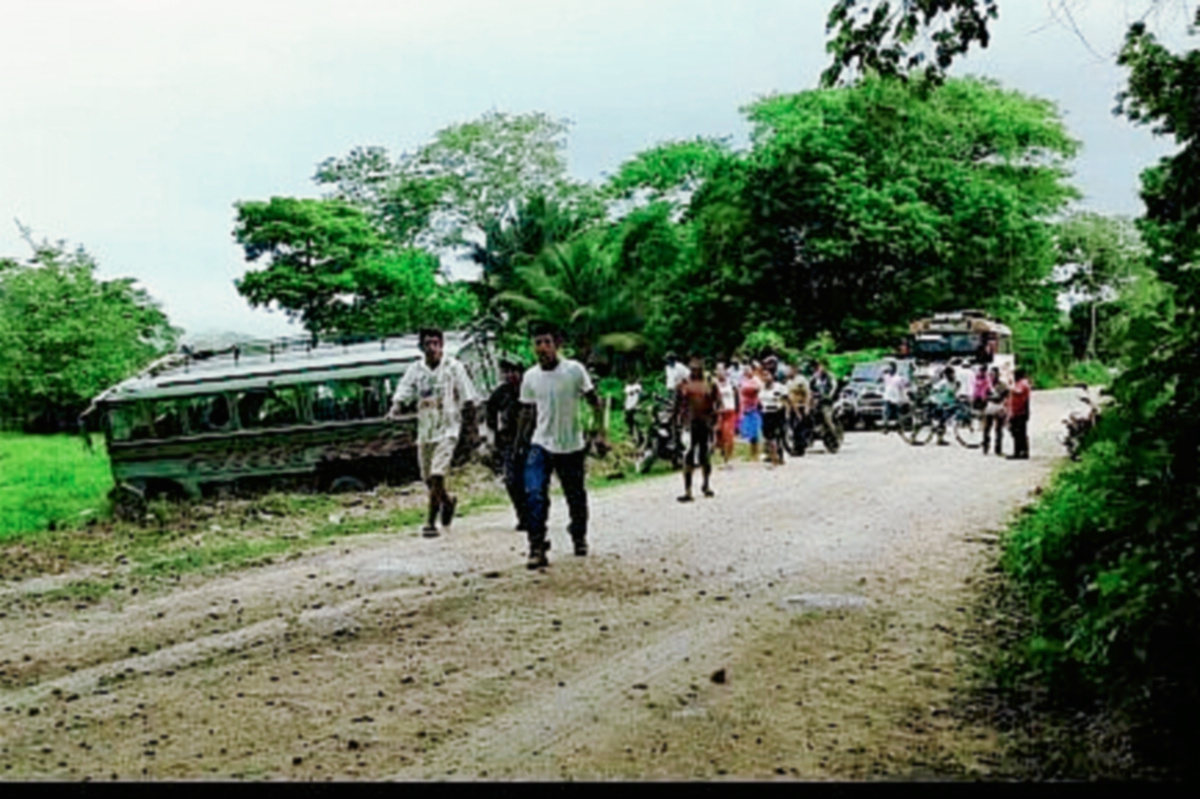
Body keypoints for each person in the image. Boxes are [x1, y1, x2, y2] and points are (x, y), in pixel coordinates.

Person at [516, 323, 609, 570]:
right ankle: (536, 546)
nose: (542, 348)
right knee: (534, 494)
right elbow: (527, 412)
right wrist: (518, 445)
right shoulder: (530, 377)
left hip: (571, 445)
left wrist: (599, 433)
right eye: (538, 343)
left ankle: (578, 534)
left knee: (575, 496)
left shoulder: (574, 371)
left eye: (547, 342)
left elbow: (595, 402)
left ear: (558, 344)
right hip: (541, 443)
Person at [387, 328, 480, 538]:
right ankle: (447, 502)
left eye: (436, 343)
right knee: (428, 478)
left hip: (448, 427)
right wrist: (395, 408)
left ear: (442, 345)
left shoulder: (454, 367)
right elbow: (404, 391)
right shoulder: (416, 370)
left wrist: (471, 431)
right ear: (421, 346)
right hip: (426, 429)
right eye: (428, 344)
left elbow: (468, 399)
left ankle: (430, 522)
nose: (432, 348)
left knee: (438, 474)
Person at [486, 358, 529, 531]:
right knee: (512, 479)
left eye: (513, 371)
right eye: (506, 372)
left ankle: (535, 514)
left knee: (532, 480)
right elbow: (491, 415)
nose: (510, 375)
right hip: (508, 441)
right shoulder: (500, 393)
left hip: (531, 440)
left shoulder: (529, 389)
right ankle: (522, 515)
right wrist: (495, 434)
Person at [674, 356, 721, 501]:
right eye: (693, 368)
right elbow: (677, 405)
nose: (696, 371)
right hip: (689, 424)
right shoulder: (683, 385)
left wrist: (716, 420)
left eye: (698, 368)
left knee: (704, 455)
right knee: (688, 455)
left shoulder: (710, 384)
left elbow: (718, 403)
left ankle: (706, 485)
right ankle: (687, 490)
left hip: (705, 423)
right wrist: (676, 421)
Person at [759, 357, 788, 466]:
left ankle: (776, 457)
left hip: (777, 412)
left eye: (767, 375)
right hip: (766, 413)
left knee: (777, 436)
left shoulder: (779, 387)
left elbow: (785, 400)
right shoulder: (762, 388)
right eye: (764, 376)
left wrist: (781, 408)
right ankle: (773, 455)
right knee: (768, 436)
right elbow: (760, 401)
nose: (765, 378)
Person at [738, 361, 764, 463]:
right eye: (745, 370)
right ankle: (751, 453)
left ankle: (756, 454)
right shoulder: (743, 380)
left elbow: (759, 389)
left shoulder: (756, 380)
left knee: (755, 433)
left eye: (748, 370)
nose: (746, 371)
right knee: (749, 433)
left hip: (755, 407)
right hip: (745, 407)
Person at [714, 363, 740, 467]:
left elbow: (737, 396)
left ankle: (728, 460)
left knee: (728, 435)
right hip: (719, 413)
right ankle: (723, 456)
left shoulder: (732, 383)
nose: (720, 372)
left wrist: (738, 409)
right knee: (719, 437)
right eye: (718, 370)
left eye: (722, 370)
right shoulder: (714, 384)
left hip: (730, 411)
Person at [982, 366, 1008, 456]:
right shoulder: (987, 385)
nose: (992, 376)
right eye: (991, 374)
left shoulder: (1002, 385)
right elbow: (983, 396)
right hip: (989, 406)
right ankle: (985, 446)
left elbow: (1005, 396)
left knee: (999, 429)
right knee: (986, 428)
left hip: (999, 407)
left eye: (994, 374)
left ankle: (998, 448)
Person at [1006, 368, 1032, 460]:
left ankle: (1020, 452)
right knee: (1017, 432)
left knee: (1019, 432)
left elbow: (1018, 392)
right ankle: (1020, 451)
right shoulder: (1020, 383)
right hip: (1017, 411)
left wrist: (1009, 386)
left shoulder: (1023, 383)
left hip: (1021, 411)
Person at [930, 366, 959, 446]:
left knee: (944, 420)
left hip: (947, 403)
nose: (953, 375)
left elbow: (952, 393)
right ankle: (940, 439)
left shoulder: (953, 382)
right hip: (939, 403)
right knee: (942, 420)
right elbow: (934, 390)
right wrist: (939, 397)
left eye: (953, 373)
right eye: (951, 374)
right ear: (947, 374)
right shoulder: (943, 382)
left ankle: (940, 437)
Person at [881, 362, 908, 434]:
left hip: (896, 398)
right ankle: (885, 428)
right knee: (886, 413)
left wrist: (904, 397)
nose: (890, 370)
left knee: (898, 414)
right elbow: (881, 373)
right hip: (888, 397)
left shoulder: (899, 378)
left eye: (891, 368)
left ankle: (899, 428)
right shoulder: (886, 377)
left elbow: (904, 386)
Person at [623, 377, 643, 446]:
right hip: (628, 407)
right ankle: (632, 437)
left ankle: (638, 438)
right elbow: (629, 392)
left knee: (636, 424)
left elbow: (639, 393)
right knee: (630, 424)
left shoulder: (638, 387)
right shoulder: (628, 387)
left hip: (634, 407)